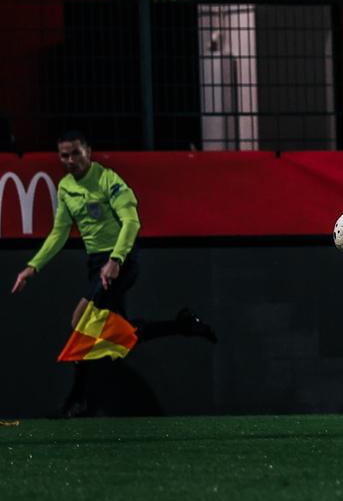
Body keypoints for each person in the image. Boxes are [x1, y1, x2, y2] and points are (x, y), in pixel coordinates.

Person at [11, 130, 216, 418]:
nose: (69, 160)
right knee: (121, 334)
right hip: (97, 264)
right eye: (64, 155)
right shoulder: (66, 187)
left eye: (75, 153)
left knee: (80, 320)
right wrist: (33, 267)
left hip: (122, 260)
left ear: (88, 152)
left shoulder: (108, 180)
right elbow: (59, 232)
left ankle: (77, 400)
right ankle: (183, 325)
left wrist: (116, 259)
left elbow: (131, 221)